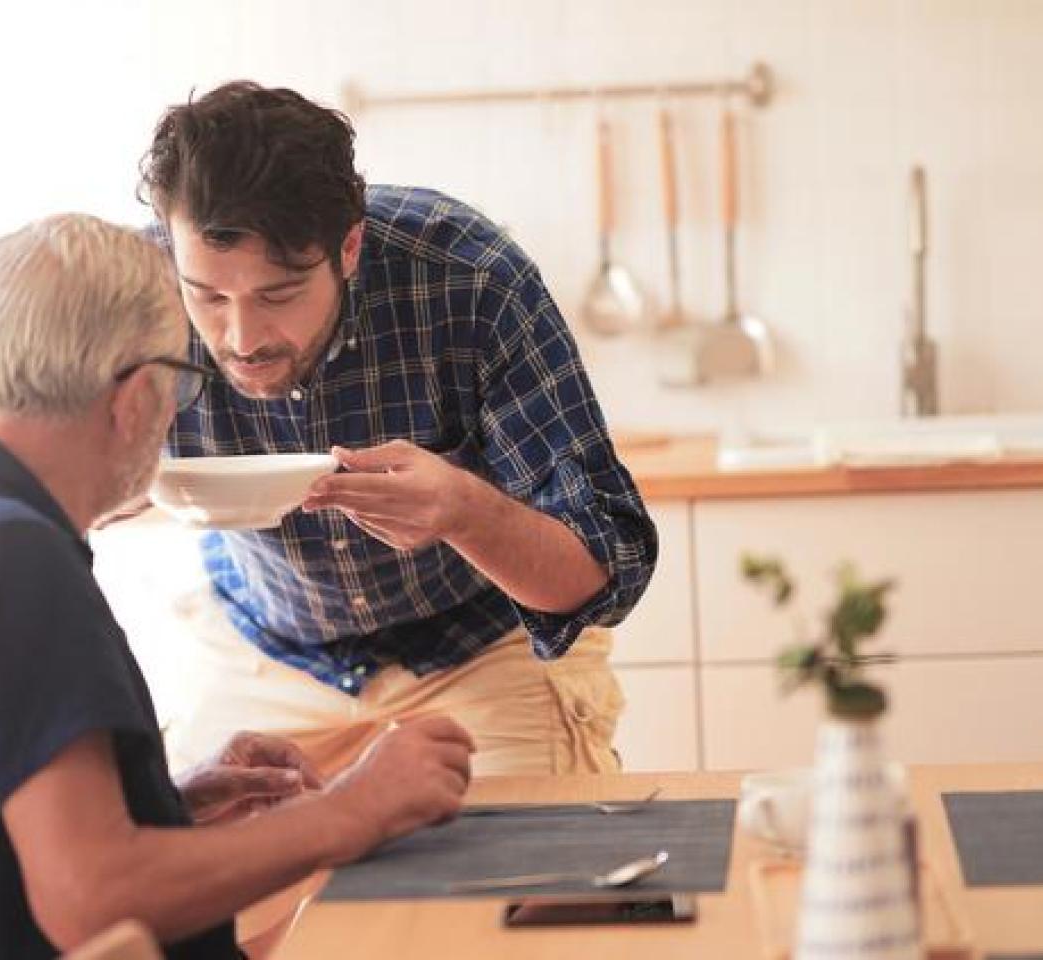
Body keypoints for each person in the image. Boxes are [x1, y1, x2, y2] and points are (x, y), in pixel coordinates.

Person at [0, 214, 474, 960]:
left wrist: (164, 803)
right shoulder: (12, 563)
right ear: (135, 396)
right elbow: (91, 900)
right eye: (182, 382)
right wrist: (356, 808)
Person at [138, 81, 659, 781]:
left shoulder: (468, 279)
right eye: (206, 294)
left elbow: (608, 570)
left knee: (538, 878)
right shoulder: (133, 293)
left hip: (480, 646)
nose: (240, 337)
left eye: (278, 294)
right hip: (263, 644)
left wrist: (467, 511)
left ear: (348, 246)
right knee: (194, 879)